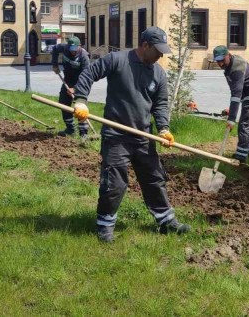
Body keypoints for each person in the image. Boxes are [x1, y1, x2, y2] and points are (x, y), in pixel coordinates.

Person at [73, 27, 190, 243]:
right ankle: (105, 226)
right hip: (116, 136)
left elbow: (161, 104)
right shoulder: (118, 60)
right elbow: (89, 73)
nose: (161, 56)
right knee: (114, 183)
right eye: (158, 50)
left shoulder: (158, 73)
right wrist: (80, 99)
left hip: (144, 137)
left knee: (155, 179)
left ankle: (166, 222)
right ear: (145, 45)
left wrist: (163, 128)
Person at [212, 45, 249, 162]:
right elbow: (235, 92)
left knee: (244, 124)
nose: (220, 64)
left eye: (222, 60)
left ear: (228, 55)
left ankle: (241, 157)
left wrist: (231, 119)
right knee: (247, 123)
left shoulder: (237, 68)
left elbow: (236, 95)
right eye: (218, 61)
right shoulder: (229, 65)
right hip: (245, 94)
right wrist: (233, 110)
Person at [51, 36, 90, 139]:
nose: (72, 51)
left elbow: (86, 77)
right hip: (67, 80)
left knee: (80, 107)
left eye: (74, 49)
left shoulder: (84, 57)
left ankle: (83, 133)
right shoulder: (64, 48)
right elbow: (54, 49)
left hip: (81, 83)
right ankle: (70, 129)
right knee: (63, 103)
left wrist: (76, 89)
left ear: (79, 47)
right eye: (70, 48)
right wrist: (55, 65)